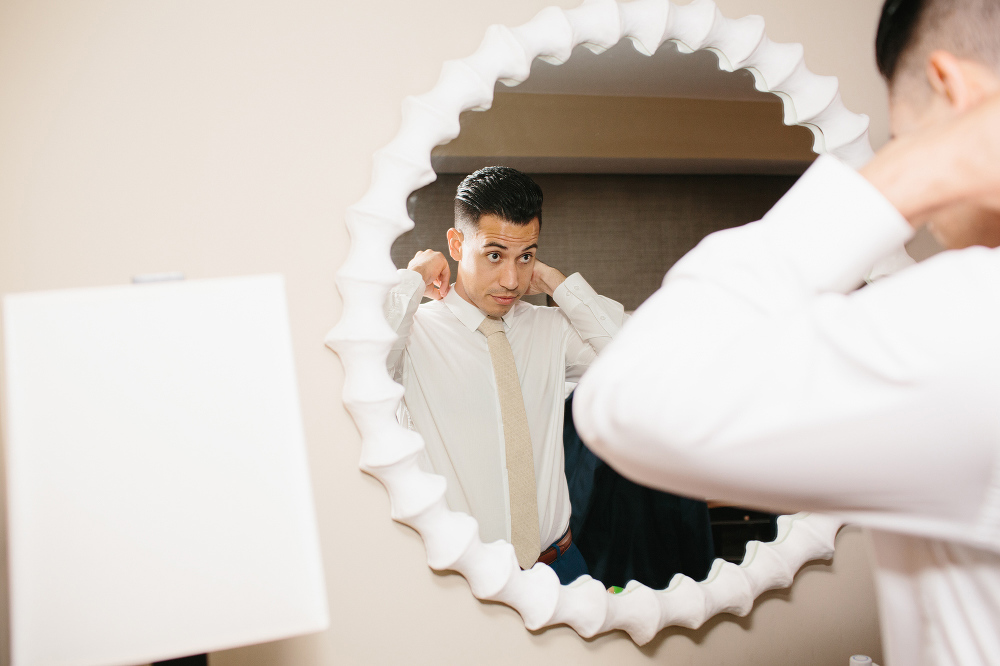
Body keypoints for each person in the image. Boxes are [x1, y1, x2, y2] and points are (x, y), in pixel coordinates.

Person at [574, 0, 1000, 662]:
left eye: (906, 133)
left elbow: (627, 399)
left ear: (956, 92)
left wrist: (907, 173)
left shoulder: (975, 320)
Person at [385, 166, 627, 584]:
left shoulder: (551, 329)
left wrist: (556, 283)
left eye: (526, 256)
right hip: (461, 579)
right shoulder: (415, 334)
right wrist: (412, 278)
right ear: (457, 244)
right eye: (494, 255)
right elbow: (364, 360)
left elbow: (635, 357)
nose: (512, 280)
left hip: (563, 566)